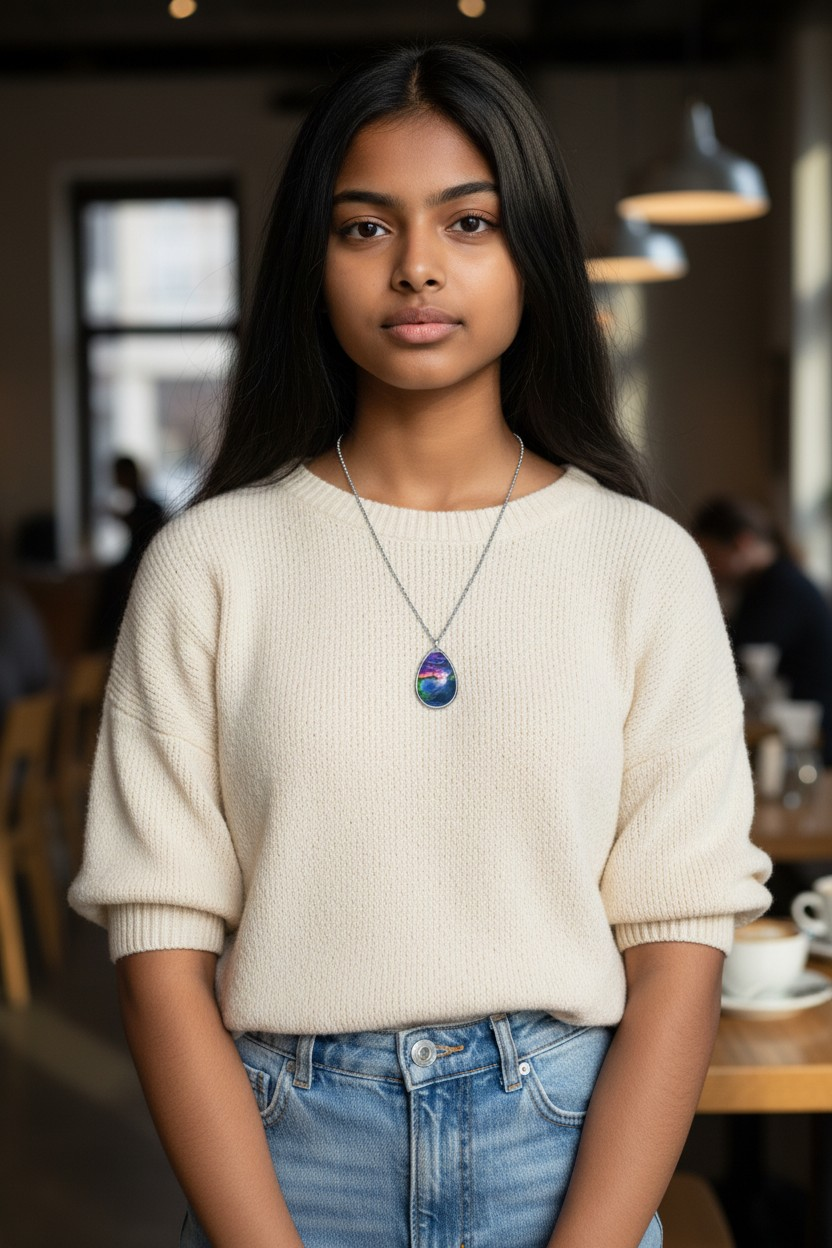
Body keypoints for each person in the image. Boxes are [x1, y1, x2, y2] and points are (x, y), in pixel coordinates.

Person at [67, 41, 772, 1248]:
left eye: (469, 223)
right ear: (314, 260)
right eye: (363, 229)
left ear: (530, 254)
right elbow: (161, 953)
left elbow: (676, 951)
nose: (416, 269)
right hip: (283, 1152)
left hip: (562, 1142)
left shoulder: (642, 563)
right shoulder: (210, 562)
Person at [692, 495, 832, 766]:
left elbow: (732, 659)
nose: (708, 567)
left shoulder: (781, 589)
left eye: (710, 555)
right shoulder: (770, 583)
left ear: (742, 543)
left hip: (813, 736)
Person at [90, 455, 166, 650]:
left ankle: (100, 647)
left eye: (117, 474)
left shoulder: (148, 506)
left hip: (140, 568)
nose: (115, 479)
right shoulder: (143, 504)